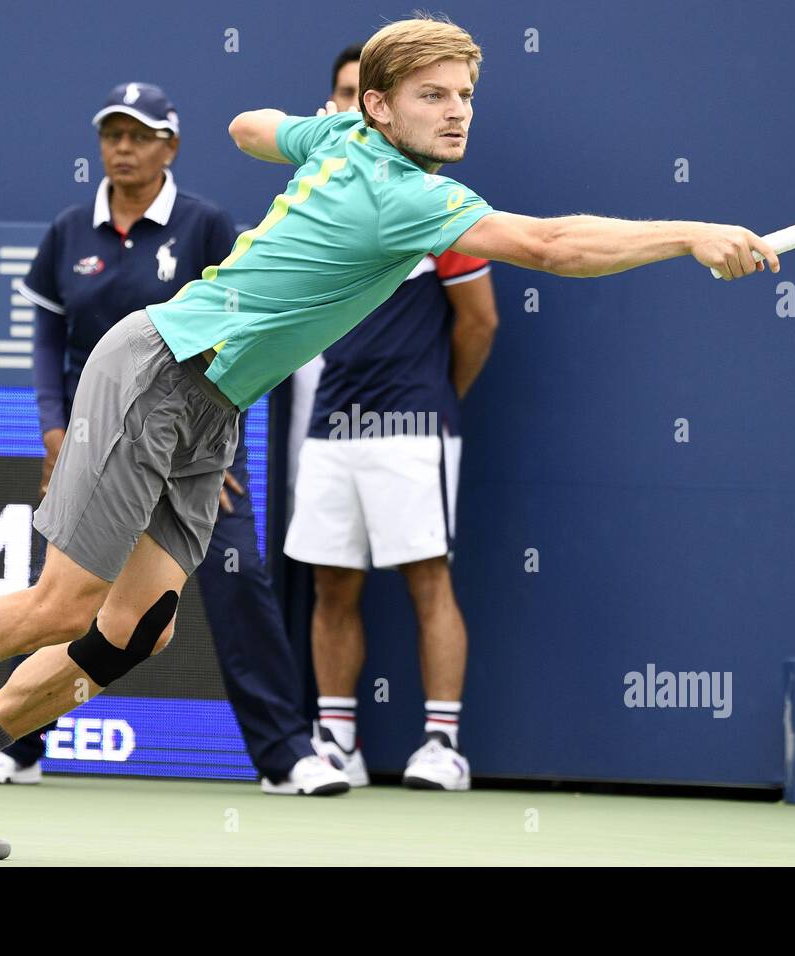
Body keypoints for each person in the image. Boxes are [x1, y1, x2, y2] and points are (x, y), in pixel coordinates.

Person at [0, 13, 778, 860]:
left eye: (465, 95)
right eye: (433, 94)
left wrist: (313, 129)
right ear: (384, 107)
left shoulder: (343, 141)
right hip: (161, 364)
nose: (457, 110)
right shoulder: (404, 195)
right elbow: (551, 245)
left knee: (135, 631)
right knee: (63, 601)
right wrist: (685, 234)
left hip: (211, 403)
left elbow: (250, 127)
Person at [0, 83, 341, 797]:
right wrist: (55, 432)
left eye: (140, 135)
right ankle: (16, 744)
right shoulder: (68, 231)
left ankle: (286, 757)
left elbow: (247, 332)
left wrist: (222, 443)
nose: (123, 147)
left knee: (240, 583)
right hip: (98, 445)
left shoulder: (206, 225)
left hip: (194, 447)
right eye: (112, 134)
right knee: (66, 598)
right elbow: (49, 340)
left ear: (170, 146)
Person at [283, 45, 500, 791]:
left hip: (413, 425)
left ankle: (443, 746)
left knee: (426, 580)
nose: (348, 106)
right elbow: (249, 128)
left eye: (459, 96)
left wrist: (435, 402)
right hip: (330, 423)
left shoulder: (432, 202)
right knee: (331, 583)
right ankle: (335, 739)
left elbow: (479, 324)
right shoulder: (321, 190)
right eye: (339, 94)